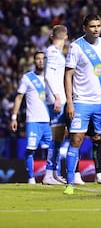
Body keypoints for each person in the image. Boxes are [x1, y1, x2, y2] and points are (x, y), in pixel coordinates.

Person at [63, 14, 101, 195]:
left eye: (99, 26)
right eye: (92, 26)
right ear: (84, 27)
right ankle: (70, 182)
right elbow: (68, 75)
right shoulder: (76, 47)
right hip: (81, 101)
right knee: (76, 139)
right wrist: (70, 101)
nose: (96, 29)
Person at [9, 51, 52, 184]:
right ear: (34, 61)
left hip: (50, 122)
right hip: (33, 120)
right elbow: (19, 97)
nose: (40, 61)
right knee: (30, 150)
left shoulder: (52, 78)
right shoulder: (27, 78)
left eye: (42, 59)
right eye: (38, 59)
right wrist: (14, 117)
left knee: (52, 150)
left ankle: (50, 176)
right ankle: (31, 178)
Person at [43, 24, 68, 185]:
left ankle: (53, 172)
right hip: (56, 99)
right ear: (65, 37)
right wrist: (57, 97)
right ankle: (48, 174)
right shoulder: (52, 52)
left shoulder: (57, 52)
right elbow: (48, 75)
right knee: (56, 136)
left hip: (58, 98)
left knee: (59, 136)